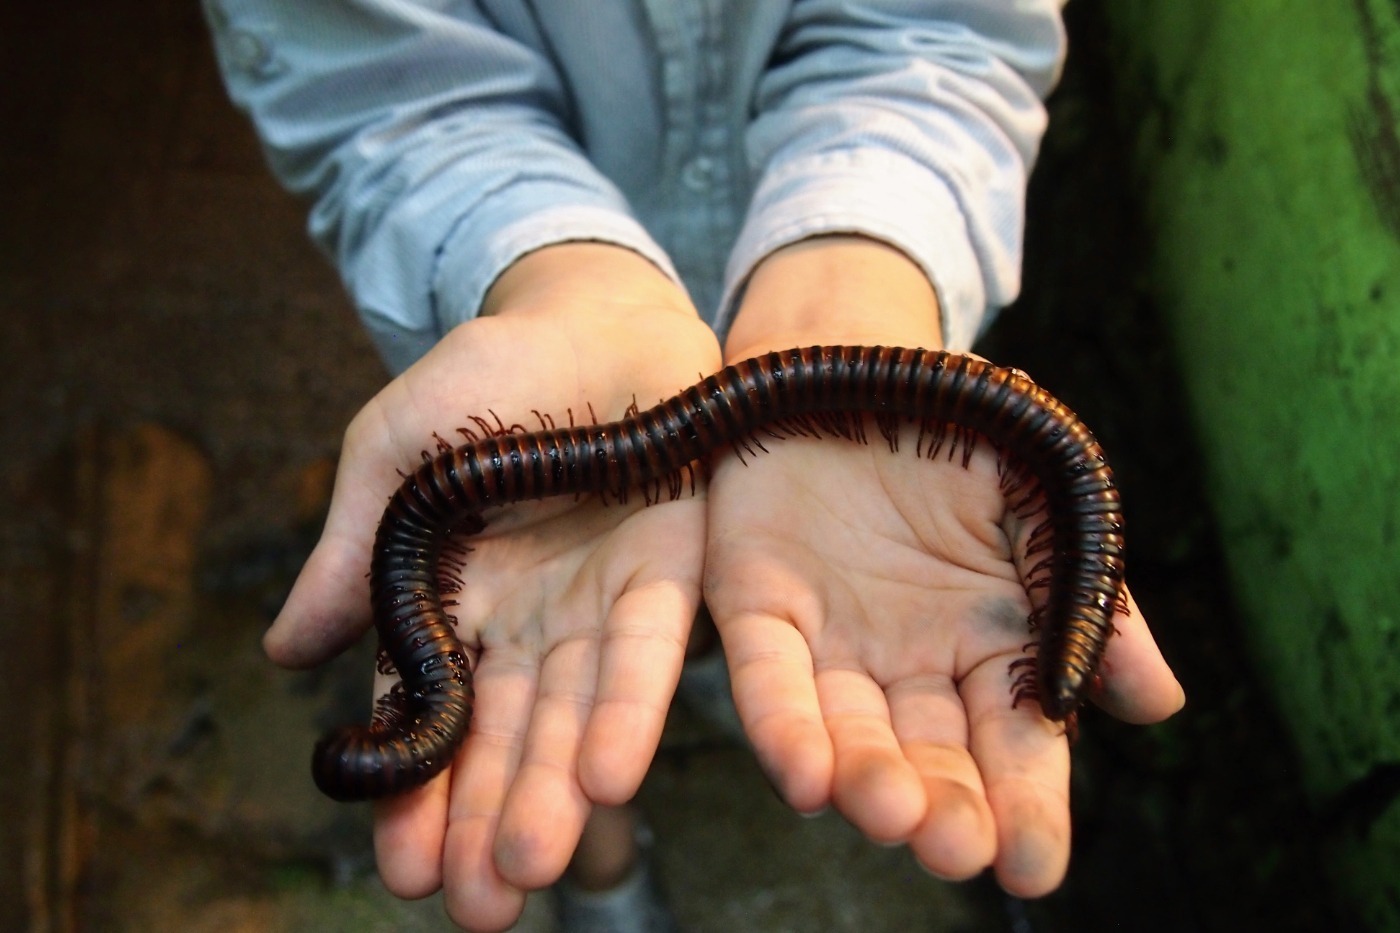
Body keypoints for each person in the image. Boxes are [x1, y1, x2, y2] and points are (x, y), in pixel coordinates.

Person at [204, 2, 1185, 931]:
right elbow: (376, 85)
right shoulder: (446, 534)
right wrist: (546, 269)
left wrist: (857, 266)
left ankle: (697, 695)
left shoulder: (1030, 466)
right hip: (538, 317)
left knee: (645, 607)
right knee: (565, 642)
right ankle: (601, 860)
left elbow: (946, 29)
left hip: (769, 321)